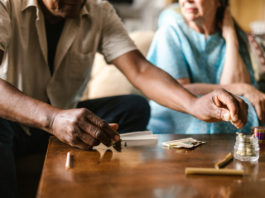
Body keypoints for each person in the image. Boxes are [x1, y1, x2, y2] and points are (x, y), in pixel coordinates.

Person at [0, 0, 248, 197]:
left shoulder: (99, 10)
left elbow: (139, 70)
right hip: (16, 122)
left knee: (133, 107)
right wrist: (53, 120)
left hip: (65, 117)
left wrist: (194, 104)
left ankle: (105, 187)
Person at [147, 0, 265, 134]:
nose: (187, 1)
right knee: (221, 116)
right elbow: (177, 89)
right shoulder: (170, 31)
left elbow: (234, 96)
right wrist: (242, 88)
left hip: (212, 108)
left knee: (241, 108)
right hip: (177, 111)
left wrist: (231, 37)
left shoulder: (233, 34)